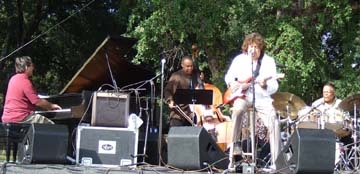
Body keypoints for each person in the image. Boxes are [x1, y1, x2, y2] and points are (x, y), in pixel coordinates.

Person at [224, 32, 281, 169]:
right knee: (237, 110)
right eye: (250, 46)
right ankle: (234, 151)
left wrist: (265, 85)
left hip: (262, 98)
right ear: (246, 47)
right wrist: (233, 84)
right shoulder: (239, 59)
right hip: (243, 96)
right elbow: (228, 77)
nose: (253, 50)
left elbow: (274, 86)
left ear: (260, 49)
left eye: (256, 47)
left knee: (274, 122)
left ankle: (276, 162)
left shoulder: (268, 61)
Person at [2, 56, 61, 124]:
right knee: (52, 126)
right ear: (26, 67)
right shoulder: (24, 81)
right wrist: (52, 106)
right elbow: (37, 101)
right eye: (32, 66)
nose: (33, 68)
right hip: (21, 117)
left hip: (7, 117)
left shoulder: (13, 78)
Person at [311, 82, 352, 166]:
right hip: (321, 133)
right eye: (324, 92)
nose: (325, 94)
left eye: (327, 92)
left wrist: (346, 128)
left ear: (333, 93)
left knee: (349, 139)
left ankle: (343, 165)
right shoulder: (317, 104)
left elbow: (348, 121)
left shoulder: (342, 104)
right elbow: (312, 120)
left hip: (339, 133)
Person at [164, 56, 199, 127]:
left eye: (191, 66)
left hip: (192, 114)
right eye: (187, 66)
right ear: (182, 65)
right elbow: (167, 90)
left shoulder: (195, 76)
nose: (190, 68)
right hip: (178, 114)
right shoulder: (176, 76)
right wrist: (170, 100)